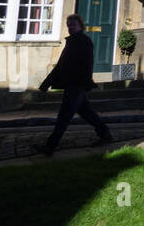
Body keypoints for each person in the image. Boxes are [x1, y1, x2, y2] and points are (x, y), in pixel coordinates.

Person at [38, 14, 113, 155]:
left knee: (64, 117)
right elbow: (60, 65)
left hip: (76, 84)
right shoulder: (72, 42)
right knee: (87, 113)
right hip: (72, 83)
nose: (71, 28)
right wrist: (46, 83)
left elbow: (86, 65)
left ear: (80, 26)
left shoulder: (83, 41)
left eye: (74, 25)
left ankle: (50, 146)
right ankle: (105, 134)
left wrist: (85, 82)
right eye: (69, 25)